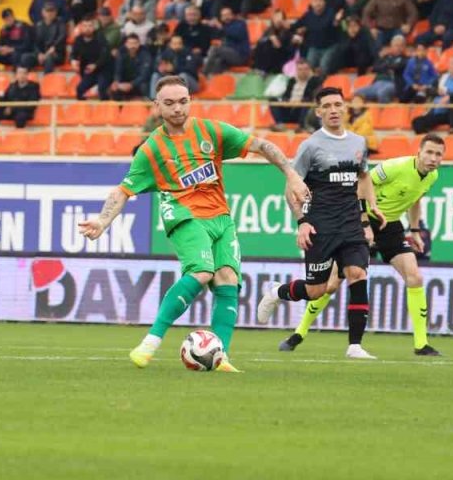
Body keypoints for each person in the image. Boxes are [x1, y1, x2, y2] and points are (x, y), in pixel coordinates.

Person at [78, 75, 310, 372]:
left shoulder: (210, 131)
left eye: (183, 101)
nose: (178, 108)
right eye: (170, 103)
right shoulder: (152, 149)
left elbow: (261, 145)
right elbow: (123, 190)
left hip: (220, 217)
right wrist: (102, 220)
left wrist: (291, 175)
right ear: (157, 106)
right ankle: (150, 342)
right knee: (202, 271)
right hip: (184, 215)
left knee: (227, 278)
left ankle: (220, 355)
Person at [281, 134, 448, 356]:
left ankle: (421, 344)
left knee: (415, 277)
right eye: (429, 152)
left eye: (438, 154)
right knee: (330, 286)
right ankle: (298, 334)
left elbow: (416, 199)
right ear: (419, 152)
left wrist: (415, 230)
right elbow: (361, 183)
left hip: (390, 226)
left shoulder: (432, 176)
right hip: (359, 223)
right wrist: (364, 222)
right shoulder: (394, 167)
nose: (433, 158)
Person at [256, 87, 381, 359]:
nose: (334, 110)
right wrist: (301, 222)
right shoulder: (310, 146)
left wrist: (368, 214)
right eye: (327, 105)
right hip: (320, 226)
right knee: (316, 290)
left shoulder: (359, 143)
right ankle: (278, 292)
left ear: (345, 108)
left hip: (350, 224)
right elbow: (291, 188)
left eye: (338, 104)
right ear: (319, 112)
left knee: (357, 274)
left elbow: (363, 178)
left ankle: (355, 345)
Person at [412, 56, 453, 133]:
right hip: (438, 112)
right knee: (417, 122)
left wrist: (449, 97)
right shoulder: (441, 77)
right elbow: (429, 89)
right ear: (449, 65)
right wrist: (437, 91)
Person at [272, 58, 322, 132]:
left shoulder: (314, 80)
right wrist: (286, 101)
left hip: (302, 109)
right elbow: (286, 95)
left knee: (307, 103)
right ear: (297, 70)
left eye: (305, 69)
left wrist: (298, 102)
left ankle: (302, 126)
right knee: (272, 100)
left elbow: (311, 97)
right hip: (290, 108)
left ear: (309, 69)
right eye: (300, 69)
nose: (303, 72)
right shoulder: (292, 80)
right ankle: (280, 124)